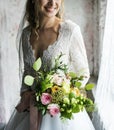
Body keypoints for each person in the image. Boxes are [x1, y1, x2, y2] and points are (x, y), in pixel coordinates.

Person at [4, 0, 95, 130]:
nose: (53, 3)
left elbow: (83, 73)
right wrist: (25, 93)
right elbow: (27, 71)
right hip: (31, 110)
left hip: (59, 113)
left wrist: (62, 94)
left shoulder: (69, 31)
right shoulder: (26, 34)